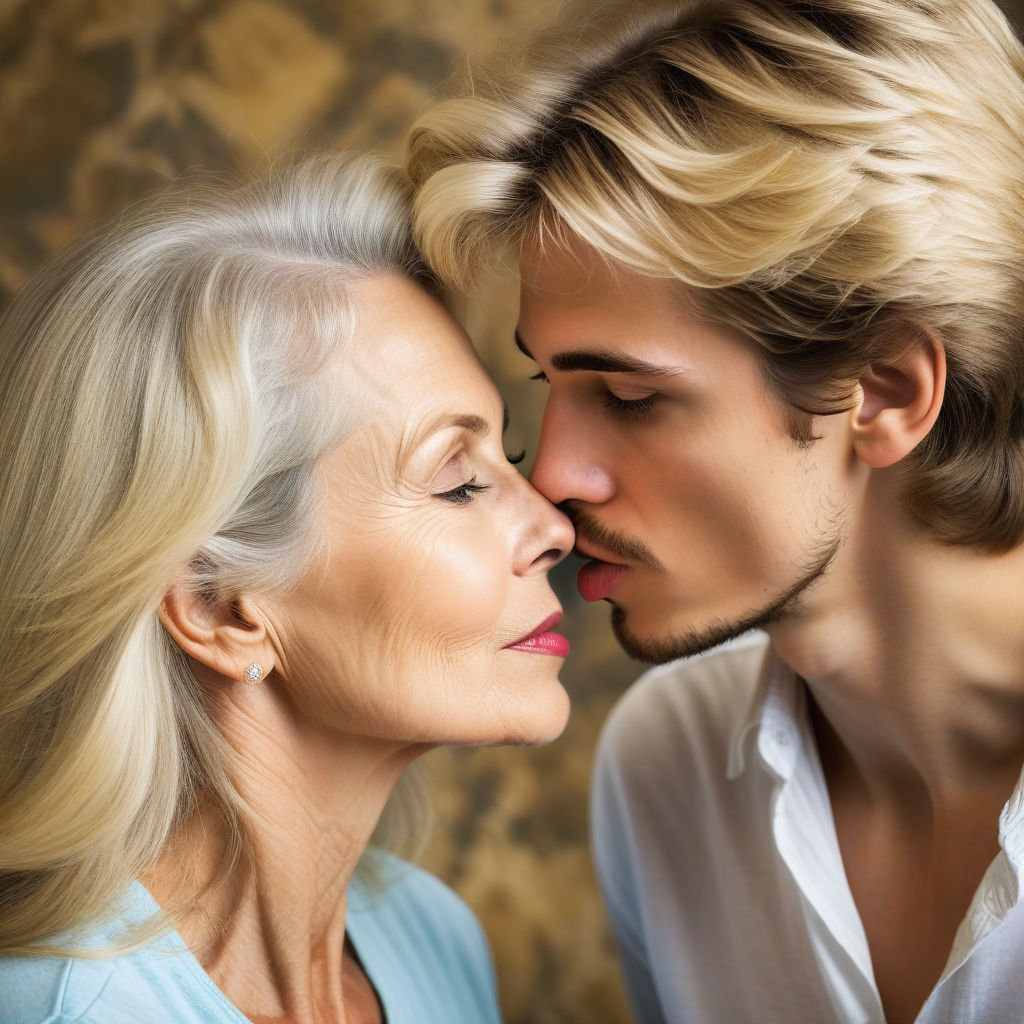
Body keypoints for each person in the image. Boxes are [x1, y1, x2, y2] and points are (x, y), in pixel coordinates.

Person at [407, 0, 1024, 1021]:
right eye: (548, 386)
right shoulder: (669, 769)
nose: (552, 475)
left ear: (883, 392)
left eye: (632, 397)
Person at [0, 153, 575, 1024]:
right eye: (458, 481)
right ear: (220, 605)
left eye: (511, 458)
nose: (555, 527)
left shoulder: (433, 938)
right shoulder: (66, 1011)